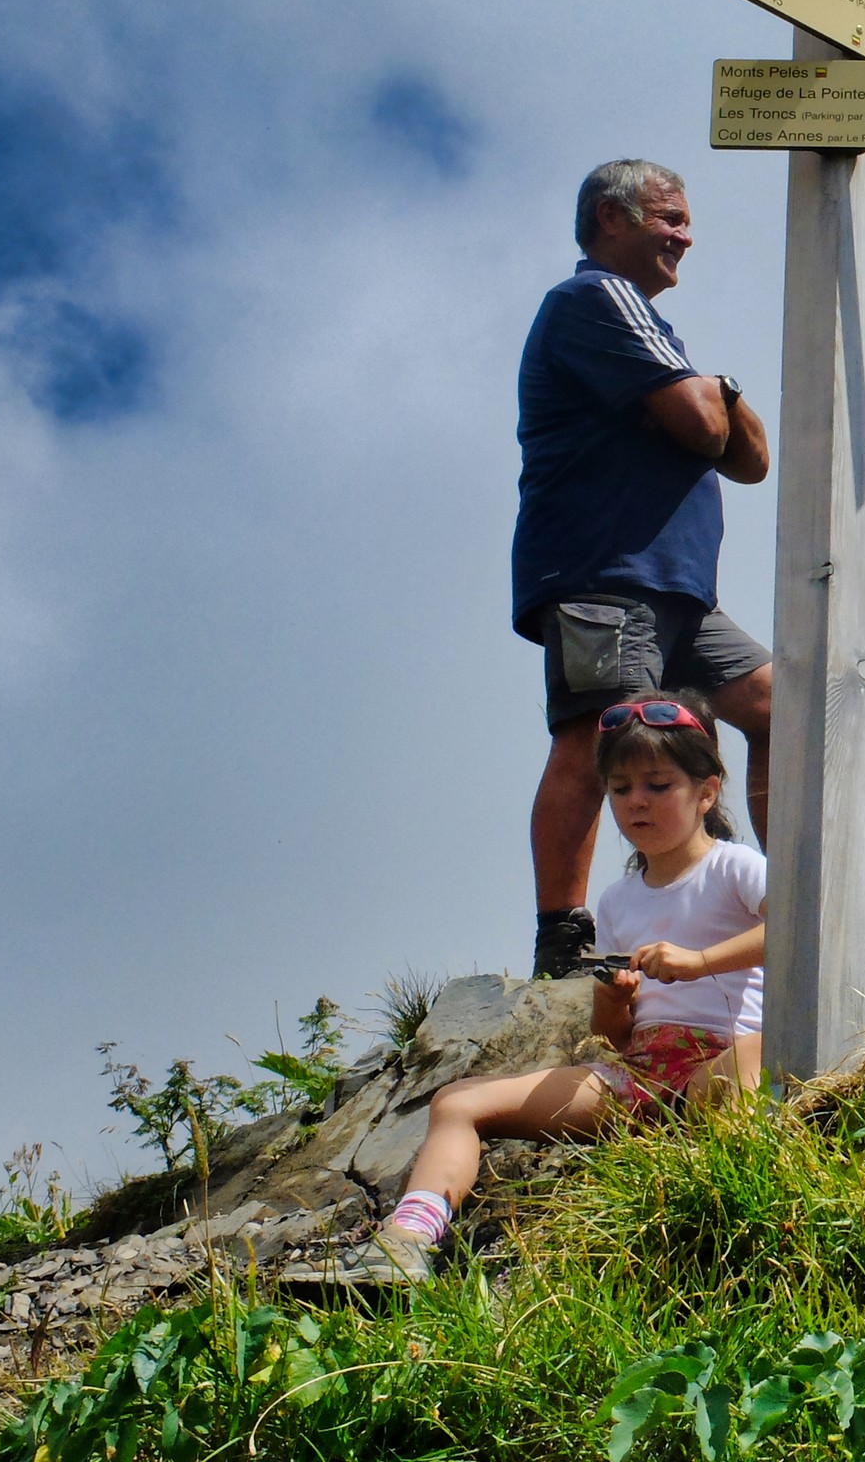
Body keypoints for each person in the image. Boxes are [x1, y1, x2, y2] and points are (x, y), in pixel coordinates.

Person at [321, 696, 766, 1285]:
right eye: (620, 787)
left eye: (659, 785)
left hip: (727, 1052)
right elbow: (613, 1036)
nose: (637, 801)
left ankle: (734, 1219)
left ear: (706, 793)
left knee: (733, 1074)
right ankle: (405, 1241)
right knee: (457, 1102)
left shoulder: (735, 867)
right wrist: (614, 999)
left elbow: (802, 928)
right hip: (644, 1072)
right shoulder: (616, 901)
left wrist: (700, 961)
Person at [513, 159, 773, 979]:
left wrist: (716, 390)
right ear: (611, 219)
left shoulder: (650, 326)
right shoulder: (595, 298)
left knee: (778, 709)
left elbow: (753, 460)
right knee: (601, 736)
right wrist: (718, 393)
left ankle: (792, 890)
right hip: (606, 573)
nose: (685, 235)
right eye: (668, 217)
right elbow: (708, 429)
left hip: (679, 587)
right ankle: (565, 936)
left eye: (686, 220)